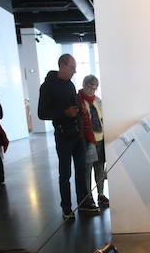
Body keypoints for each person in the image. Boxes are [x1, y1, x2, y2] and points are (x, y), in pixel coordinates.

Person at [37, 54, 99, 220]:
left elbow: (74, 106)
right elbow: (41, 113)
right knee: (65, 174)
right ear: (62, 65)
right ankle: (66, 208)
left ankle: (84, 203)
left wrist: (78, 111)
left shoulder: (70, 85)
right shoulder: (47, 87)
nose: (74, 71)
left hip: (77, 134)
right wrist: (64, 112)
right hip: (63, 135)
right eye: (72, 67)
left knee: (81, 170)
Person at [78, 75, 108, 208]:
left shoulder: (98, 101)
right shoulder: (78, 100)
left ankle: (101, 194)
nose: (92, 90)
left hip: (100, 139)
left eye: (94, 88)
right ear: (84, 85)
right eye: (90, 87)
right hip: (87, 141)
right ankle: (88, 196)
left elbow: (103, 119)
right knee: (87, 170)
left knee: (100, 168)